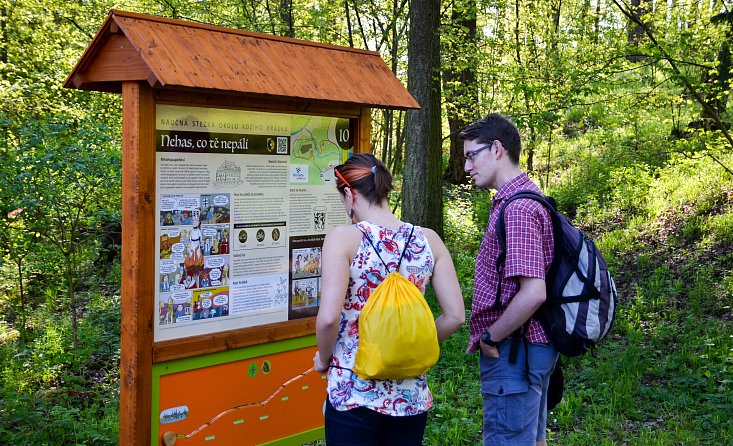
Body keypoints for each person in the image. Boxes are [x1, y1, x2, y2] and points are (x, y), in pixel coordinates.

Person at [313, 153, 465, 446]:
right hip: (410, 398)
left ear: (349, 193)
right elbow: (456, 316)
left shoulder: (343, 239)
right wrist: (407, 344)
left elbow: (329, 318)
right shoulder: (428, 239)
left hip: (353, 393)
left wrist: (323, 358)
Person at [460, 114, 558, 446]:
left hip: (514, 352)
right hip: (530, 349)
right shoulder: (527, 196)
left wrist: (490, 337)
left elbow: (533, 292)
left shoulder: (516, 209)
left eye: (471, 155)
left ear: (497, 149)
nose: (466, 166)